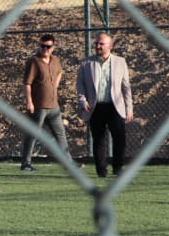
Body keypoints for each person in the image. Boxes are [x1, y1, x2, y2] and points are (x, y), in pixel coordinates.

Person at [76, 32, 133, 179]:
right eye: (96, 43)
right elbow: (80, 85)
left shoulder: (120, 62)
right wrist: (82, 100)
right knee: (98, 140)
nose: (98, 46)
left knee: (119, 138)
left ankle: (118, 168)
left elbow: (126, 87)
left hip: (115, 106)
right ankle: (101, 170)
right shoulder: (86, 63)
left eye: (101, 44)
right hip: (96, 107)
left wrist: (129, 108)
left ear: (110, 46)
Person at [19, 33, 70, 172]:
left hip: (53, 106)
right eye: (42, 46)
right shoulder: (34, 61)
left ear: (53, 47)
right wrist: (29, 102)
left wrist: (54, 86)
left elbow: (60, 72)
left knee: (60, 134)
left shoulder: (55, 60)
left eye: (48, 46)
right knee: (33, 134)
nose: (45, 49)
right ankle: (26, 163)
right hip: (39, 106)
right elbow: (27, 83)